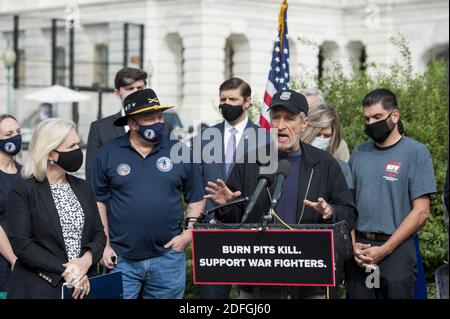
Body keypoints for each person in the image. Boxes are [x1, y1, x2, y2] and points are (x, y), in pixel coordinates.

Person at [205, 89, 356, 299]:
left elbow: (349, 213)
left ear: (304, 125)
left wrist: (330, 211)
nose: (280, 125)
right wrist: (226, 206)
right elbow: (235, 220)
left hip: (309, 279)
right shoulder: (250, 161)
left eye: (289, 118)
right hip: (257, 279)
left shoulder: (324, 164)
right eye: (275, 118)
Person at [91, 88, 205, 299]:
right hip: (121, 259)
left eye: (159, 117)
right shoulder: (108, 153)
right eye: (149, 118)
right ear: (132, 123)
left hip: (168, 259)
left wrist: (187, 235)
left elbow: (196, 199)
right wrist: (104, 245)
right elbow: (99, 202)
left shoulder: (178, 150)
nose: (157, 122)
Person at [346, 88, 436, 299]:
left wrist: (385, 249)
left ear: (394, 115)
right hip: (361, 251)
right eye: (366, 119)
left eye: (377, 117)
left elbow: (421, 212)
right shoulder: (359, 153)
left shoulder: (416, 152)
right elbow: (348, 204)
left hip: (397, 251)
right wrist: (352, 246)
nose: (371, 124)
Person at [6, 118, 106, 299]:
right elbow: (22, 244)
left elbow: (99, 234)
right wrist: (71, 272)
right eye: (71, 147)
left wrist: (86, 261)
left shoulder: (83, 187)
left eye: (78, 144)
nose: (78, 151)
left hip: (81, 287)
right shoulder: (23, 188)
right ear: (50, 153)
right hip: (39, 287)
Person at [199, 77, 271, 299]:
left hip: (251, 230)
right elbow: (197, 181)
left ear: (247, 101)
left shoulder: (265, 138)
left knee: (253, 297)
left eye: (233, 99)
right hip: (213, 227)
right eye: (223, 99)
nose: (226, 104)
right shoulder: (206, 137)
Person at [85, 67, 172, 183]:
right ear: (117, 93)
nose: (136, 91)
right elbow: (92, 174)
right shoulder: (100, 128)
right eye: (130, 88)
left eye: (140, 88)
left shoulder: (165, 127)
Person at [299, 103, 353, 189]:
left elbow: (346, 201)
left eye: (327, 136)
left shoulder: (341, 168)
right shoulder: (290, 164)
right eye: (317, 134)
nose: (321, 139)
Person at [0, 115, 21, 298]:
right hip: (5, 264)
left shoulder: (26, 173)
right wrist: (14, 260)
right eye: (9, 133)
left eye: (18, 132)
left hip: (28, 261)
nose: (16, 137)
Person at [300, 88, 350, 162]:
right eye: (306, 108)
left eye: (314, 108)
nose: (310, 112)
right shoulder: (292, 141)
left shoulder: (339, 146)